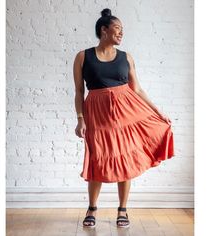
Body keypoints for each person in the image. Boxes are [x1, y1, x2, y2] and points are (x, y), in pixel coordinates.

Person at [73, 8, 175, 229]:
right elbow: (79, 92)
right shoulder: (83, 57)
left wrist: (158, 112)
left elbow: (137, 89)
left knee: (126, 162)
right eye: (117, 29)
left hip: (125, 116)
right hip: (97, 116)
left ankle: (123, 209)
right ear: (104, 30)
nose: (121, 33)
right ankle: (92, 208)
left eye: (122, 30)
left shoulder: (126, 57)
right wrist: (80, 118)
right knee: (97, 160)